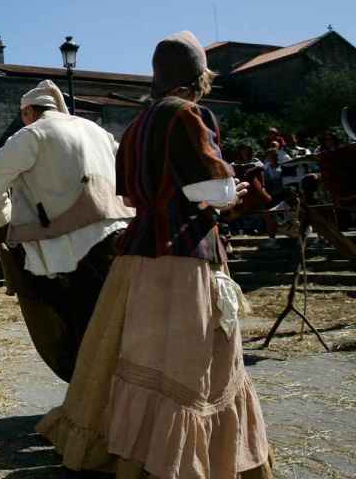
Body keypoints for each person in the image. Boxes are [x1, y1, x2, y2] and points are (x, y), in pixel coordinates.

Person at [38, 31, 271, 478]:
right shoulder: (188, 115)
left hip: (137, 257)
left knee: (136, 357)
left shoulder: (138, 124)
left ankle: (133, 450)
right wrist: (233, 191)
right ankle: (176, 460)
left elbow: (130, 193)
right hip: (183, 257)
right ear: (198, 76)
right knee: (189, 364)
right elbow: (207, 189)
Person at [0, 79, 135, 382]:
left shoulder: (33, 133)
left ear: (27, 112)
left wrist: (2, 219)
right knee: (119, 323)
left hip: (71, 248)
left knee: (80, 329)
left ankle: (92, 402)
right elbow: (126, 167)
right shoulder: (97, 131)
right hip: (120, 234)